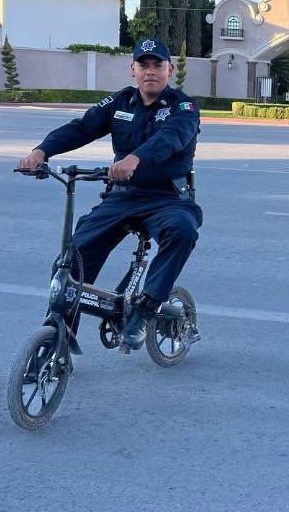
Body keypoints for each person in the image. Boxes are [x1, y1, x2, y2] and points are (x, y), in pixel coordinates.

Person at [17, 38, 202, 351]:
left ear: (169, 70)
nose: (150, 71)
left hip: (167, 199)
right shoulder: (120, 102)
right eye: (143, 64)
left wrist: (135, 159)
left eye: (157, 65)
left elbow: (172, 137)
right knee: (73, 256)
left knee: (182, 231)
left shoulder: (183, 107)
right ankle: (59, 339)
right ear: (133, 69)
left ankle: (145, 309)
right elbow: (82, 128)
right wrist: (41, 151)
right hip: (121, 197)